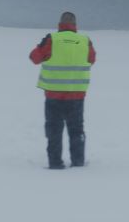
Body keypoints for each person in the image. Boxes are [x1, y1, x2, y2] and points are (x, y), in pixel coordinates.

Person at [29, 11, 96, 168]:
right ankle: (78, 162)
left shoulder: (52, 39)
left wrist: (43, 48)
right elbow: (91, 60)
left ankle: (55, 162)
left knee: (54, 129)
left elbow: (34, 58)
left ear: (60, 24)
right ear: (75, 25)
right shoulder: (85, 41)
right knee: (77, 129)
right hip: (76, 95)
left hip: (54, 95)